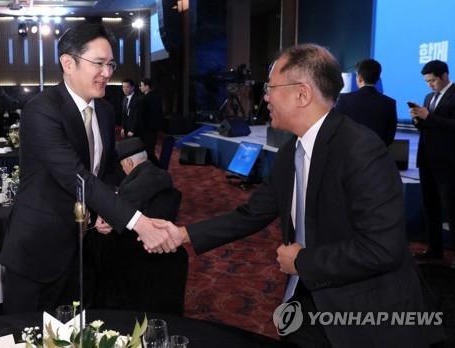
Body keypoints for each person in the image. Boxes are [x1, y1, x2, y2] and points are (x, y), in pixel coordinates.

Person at [155, 44, 444, 346]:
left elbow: (382, 249)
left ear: (302, 94)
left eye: (271, 88)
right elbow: (252, 214)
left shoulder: (360, 149)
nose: (264, 97)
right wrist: (182, 234)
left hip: (362, 317)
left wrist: (304, 261)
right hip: (308, 303)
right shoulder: (290, 151)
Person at [0, 22, 177, 314]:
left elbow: (103, 172)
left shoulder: (104, 111)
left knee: (75, 333)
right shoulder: (42, 110)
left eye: (111, 64)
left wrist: (107, 210)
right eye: (99, 63)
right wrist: (139, 223)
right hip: (38, 252)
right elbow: (77, 176)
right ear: (68, 63)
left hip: (83, 250)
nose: (108, 73)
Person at [93, 137, 187, 314]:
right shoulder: (160, 175)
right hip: (165, 257)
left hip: (135, 259)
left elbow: (117, 209)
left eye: (122, 166)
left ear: (128, 162)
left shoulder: (136, 185)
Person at [408, 60, 455, 262]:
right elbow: (428, 127)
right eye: (427, 81)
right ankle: (434, 250)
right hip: (426, 160)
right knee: (430, 207)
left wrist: (430, 117)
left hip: (448, 163)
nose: (430, 85)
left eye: (433, 80)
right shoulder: (429, 97)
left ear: (444, 75)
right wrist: (418, 120)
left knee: (451, 210)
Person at [335, 58, 397, 146]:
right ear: (378, 78)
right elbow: (390, 136)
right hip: (378, 156)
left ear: (359, 78)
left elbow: (336, 129)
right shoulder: (389, 103)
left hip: (349, 155)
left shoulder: (344, 99)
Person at [139, 78, 163, 166]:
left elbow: (142, 116)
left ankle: (158, 168)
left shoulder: (144, 99)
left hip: (146, 129)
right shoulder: (157, 97)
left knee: (148, 152)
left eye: (141, 85)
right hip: (154, 128)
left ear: (147, 87)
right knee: (150, 150)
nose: (140, 87)